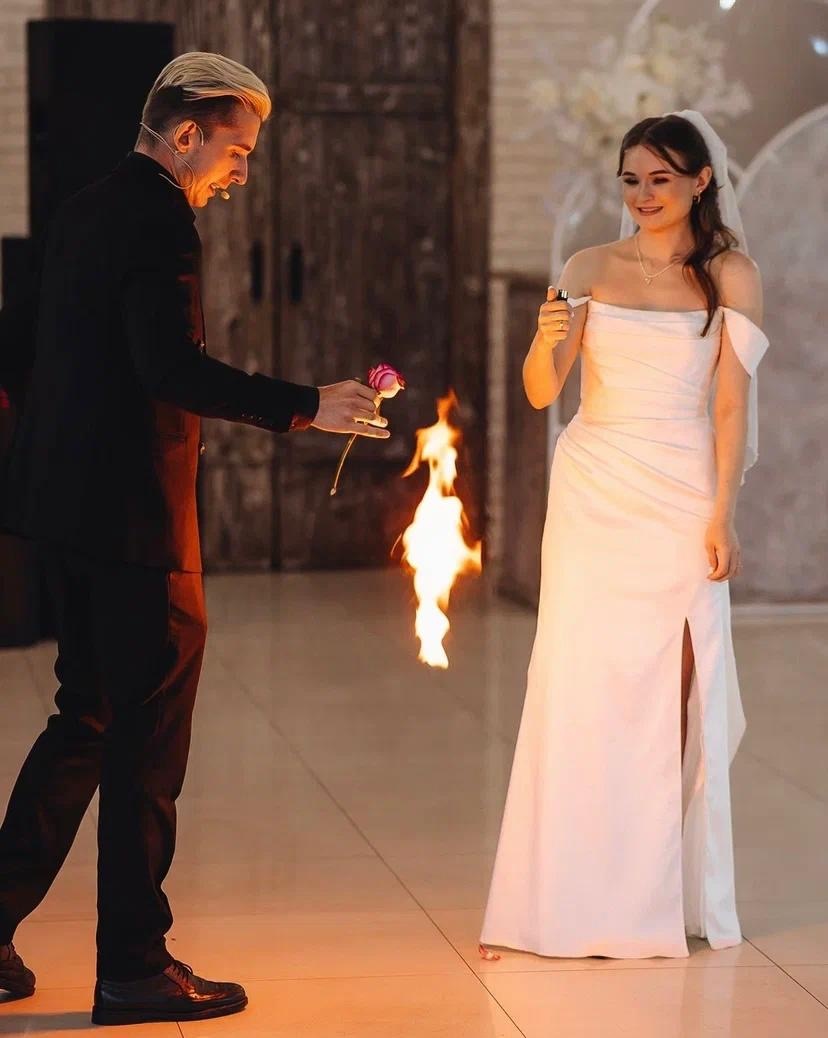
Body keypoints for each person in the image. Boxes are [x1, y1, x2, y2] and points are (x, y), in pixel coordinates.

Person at [0, 52, 389, 1025]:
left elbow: (35, 348)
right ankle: (135, 967)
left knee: (85, 719)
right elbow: (169, 368)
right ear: (186, 135)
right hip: (136, 521)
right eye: (237, 150)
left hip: (66, 513)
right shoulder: (161, 219)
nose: (241, 172)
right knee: (146, 744)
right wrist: (307, 404)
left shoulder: (84, 207)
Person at [480, 111, 768, 960]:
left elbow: (730, 405)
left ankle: (656, 894)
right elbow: (543, 392)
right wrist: (544, 342)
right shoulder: (588, 267)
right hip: (594, 487)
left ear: (700, 182)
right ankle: (568, 898)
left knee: (675, 687)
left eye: (661, 179)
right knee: (581, 682)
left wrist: (722, 513)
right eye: (632, 180)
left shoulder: (731, 274)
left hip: (681, 491)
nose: (644, 195)